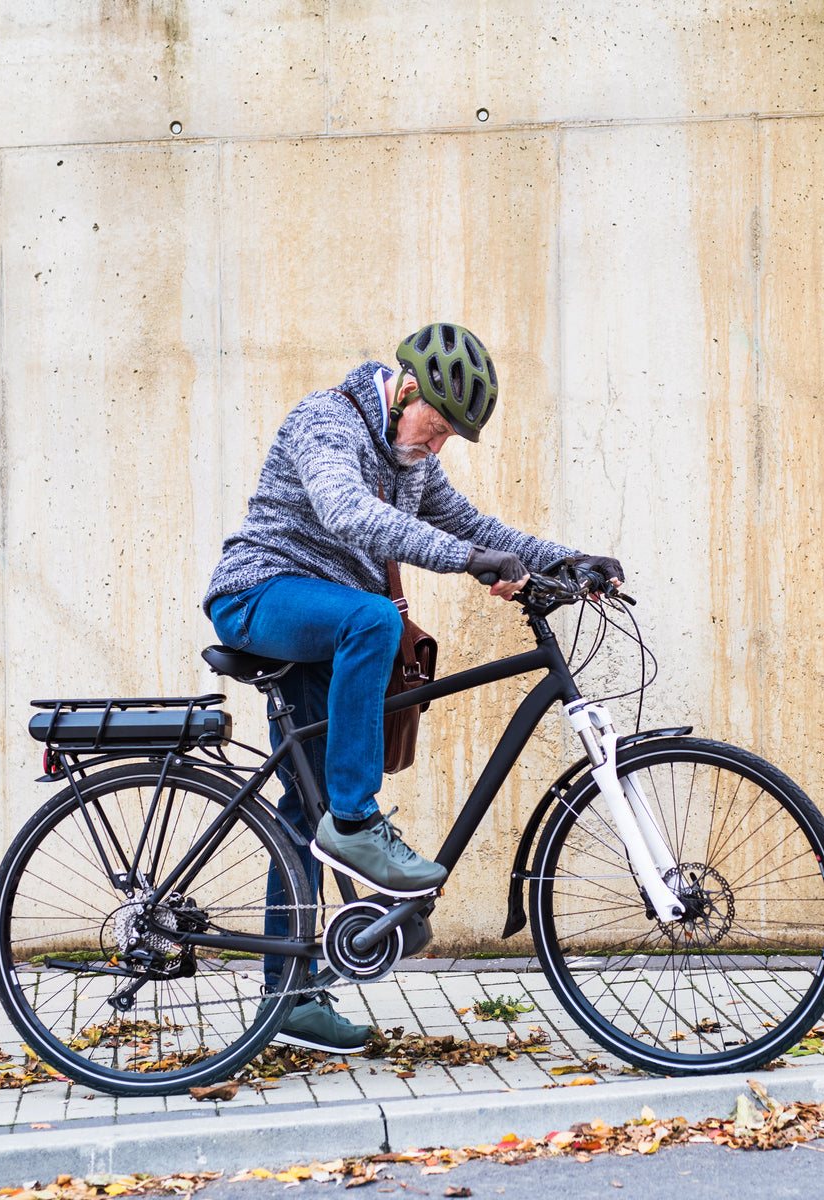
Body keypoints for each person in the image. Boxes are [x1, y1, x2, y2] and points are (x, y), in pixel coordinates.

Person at [204, 322, 623, 1052]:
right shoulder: (325, 420)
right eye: (437, 426)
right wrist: (469, 561)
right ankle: (359, 823)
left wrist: (569, 558)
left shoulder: (410, 458)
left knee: (302, 810)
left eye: (452, 437)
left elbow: (469, 522)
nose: (439, 446)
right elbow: (347, 514)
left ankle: (291, 1000)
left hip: (321, 626)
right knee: (370, 620)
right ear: (405, 391)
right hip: (260, 595)